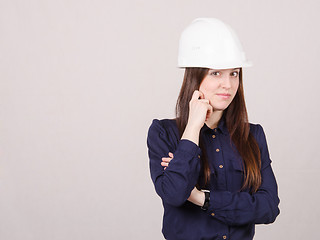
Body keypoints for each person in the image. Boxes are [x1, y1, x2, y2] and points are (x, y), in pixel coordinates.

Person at [147, 18, 280, 240]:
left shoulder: (253, 136)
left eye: (234, 73)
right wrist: (192, 127)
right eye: (216, 73)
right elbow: (174, 194)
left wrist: (200, 197)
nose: (227, 85)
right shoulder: (164, 133)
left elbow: (268, 207)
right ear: (195, 76)